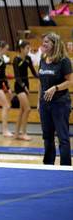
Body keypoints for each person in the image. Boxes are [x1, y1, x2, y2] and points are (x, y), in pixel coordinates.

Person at [38, 32, 72, 166]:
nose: (43, 44)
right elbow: (41, 82)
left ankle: (65, 166)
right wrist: (38, 102)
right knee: (47, 137)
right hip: (44, 104)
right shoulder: (42, 59)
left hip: (60, 103)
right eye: (43, 41)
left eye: (46, 41)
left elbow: (70, 82)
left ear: (54, 44)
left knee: (63, 137)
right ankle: (48, 165)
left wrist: (55, 88)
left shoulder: (64, 61)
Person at [12, 40, 38, 141]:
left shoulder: (28, 58)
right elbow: (17, 77)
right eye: (27, 48)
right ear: (22, 49)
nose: (29, 50)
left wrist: (41, 76)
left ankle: (17, 134)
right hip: (19, 87)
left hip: (26, 85)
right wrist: (24, 87)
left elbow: (34, 73)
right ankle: (24, 133)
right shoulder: (16, 60)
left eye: (29, 48)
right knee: (27, 109)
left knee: (22, 111)